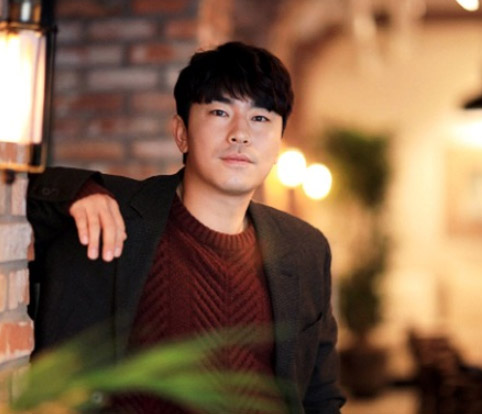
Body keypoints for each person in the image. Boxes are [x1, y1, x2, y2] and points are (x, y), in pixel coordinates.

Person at [27, 41, 345, 414]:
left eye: (260, 118)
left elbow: (320, 397)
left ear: (278, 144)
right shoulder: (113, 215)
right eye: (220, 111)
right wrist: (76, 192)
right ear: (181, 133)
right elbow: (13, 195)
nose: (240, 133)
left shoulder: (305, 249)